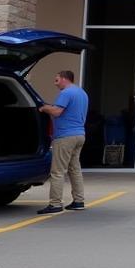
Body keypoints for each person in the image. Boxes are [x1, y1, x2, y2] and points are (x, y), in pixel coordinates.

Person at [36, 69, 89, 214]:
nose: (55, 83)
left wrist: (44, 107)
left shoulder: (66, 93)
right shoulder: (82, 93)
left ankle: (55, 204)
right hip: (79, 135)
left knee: (57, 171)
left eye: (57, 80)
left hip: (65, 137)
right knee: (75, 169)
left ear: (65, 79)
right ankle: (79, 201)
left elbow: (57, 112)